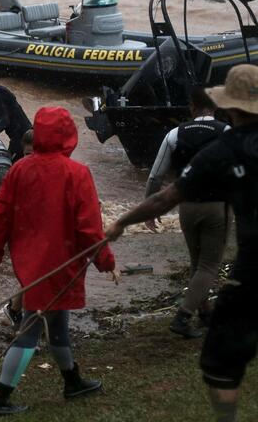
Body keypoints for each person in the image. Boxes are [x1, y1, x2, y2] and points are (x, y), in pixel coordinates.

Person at [105, 64, 258, 422]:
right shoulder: (222, 138)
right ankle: (197, 310)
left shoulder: (220, 149)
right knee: (206, 264)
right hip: (223, 221)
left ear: (229, 106)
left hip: (239, 253)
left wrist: (121, 222)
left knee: (221, 361)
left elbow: (162, 192)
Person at [0, 106, 119, 415]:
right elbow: (90, 228)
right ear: (68, 134)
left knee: (57, 323)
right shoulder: (77, 173)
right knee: (31, 331)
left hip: (31, 263)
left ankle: (73, 381)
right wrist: (106, 262)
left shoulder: (18, 169)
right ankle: (0, 399)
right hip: (60, 263)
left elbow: (0, 217)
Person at [144, 87, 230, 338]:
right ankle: (183, 317)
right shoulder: (226, 132)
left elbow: (155, 175)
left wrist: (151, 208)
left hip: (187, 208)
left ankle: (204, 314)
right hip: (216, 206)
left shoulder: (174, 134)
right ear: (216, 107)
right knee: (210, 265)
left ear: (192, 107)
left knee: (197, 263)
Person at [2, 128, 36, 328]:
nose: (29, 159)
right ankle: (18, 312)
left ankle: (15, 309)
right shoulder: (19, 171)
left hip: (40, 232)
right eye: (26, 154)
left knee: (35, 276)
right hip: (24, 233)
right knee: (34, 276)